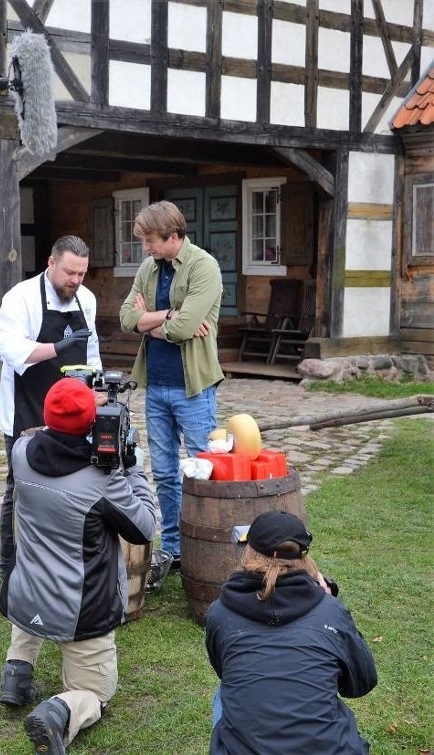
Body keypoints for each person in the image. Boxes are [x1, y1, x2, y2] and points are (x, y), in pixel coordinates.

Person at [0, 378, 157, 754]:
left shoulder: (21, 452)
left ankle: (16, 673)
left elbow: (48, 437)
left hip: (28, 593)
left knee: (32, 608)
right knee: (96, 692)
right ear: (91, 423)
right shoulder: (102, 479)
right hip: (79, 609)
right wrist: (130, 467)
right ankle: (60, 712)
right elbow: (144, 528)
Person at [204, 511, 378, 754]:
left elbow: (224, 670)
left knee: (224, 695)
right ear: (303, 557)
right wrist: (329, 607)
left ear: (249, 550)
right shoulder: (330, 611)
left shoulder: (219, 613)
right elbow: (361, 684)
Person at [118, 200, 224, 568]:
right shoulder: (149, 267)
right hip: (156, 385)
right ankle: (177, 549)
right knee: (163, 473)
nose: (145, 248)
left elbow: (178, 328)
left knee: (202, 470)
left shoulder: (204, 267)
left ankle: (208, 544)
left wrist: (154, 322)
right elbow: (126, 318)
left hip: (193, 388)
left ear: (173, 236)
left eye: (149, 240)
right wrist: (167, 316)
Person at [0, 234, 104, 580]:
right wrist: (57, 347)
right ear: (51, 263)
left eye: (81, 274)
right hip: (28, 405)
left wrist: (97, 390)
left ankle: (59, 561)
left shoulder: (86, 299)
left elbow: (92, 351)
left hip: (73, 410)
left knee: (73, 480)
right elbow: (8, 349)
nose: (75, 280)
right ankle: (10, 565)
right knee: (20, 487)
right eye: (69, 272)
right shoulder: (21, 299)